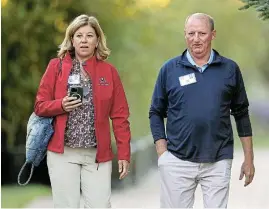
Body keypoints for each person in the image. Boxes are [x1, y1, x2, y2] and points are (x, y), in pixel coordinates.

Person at [149, 13, 255, 208]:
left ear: (213, 34)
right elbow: (155, 111)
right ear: (185, 35)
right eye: (191, 33)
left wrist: (249, 158)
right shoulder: (169, 69)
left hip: (218, 159)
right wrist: (162, 152)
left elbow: (241, 113)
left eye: (201, 33)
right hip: (177, 159)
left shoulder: (229, 69)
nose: (196, 39)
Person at [34, 14, 131, 208]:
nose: (84, 40)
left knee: (100, 205)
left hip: (97, 155)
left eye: (89, 35)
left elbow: (120, 116)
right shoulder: (56, 67)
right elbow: (40, 106)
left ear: (97, 41)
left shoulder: (109, 72)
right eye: (79, 35)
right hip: (62, 153)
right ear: (72, 40)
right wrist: (61, 105)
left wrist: (124, 153)